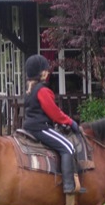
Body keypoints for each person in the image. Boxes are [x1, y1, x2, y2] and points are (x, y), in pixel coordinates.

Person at [22, 54, 85, 194]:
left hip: (29, 127)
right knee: (68, 146)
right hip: (40, 128)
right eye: (46, 69)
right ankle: (69, 185)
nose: (48, 72)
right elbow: (54, 113)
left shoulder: (30, 90)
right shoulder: (43, 91)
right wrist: (70, 122)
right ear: (42, 72)